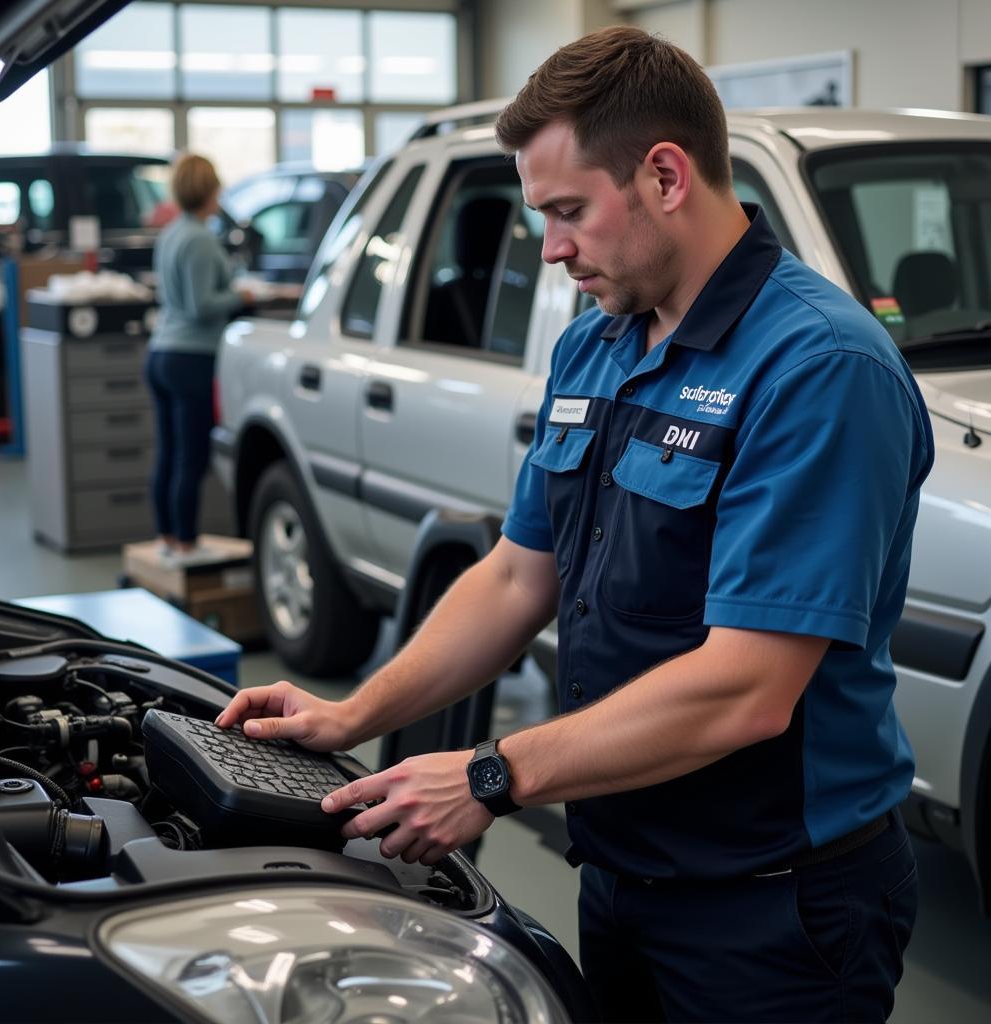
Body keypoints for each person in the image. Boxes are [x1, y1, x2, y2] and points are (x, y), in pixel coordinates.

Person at [216, 27, 933, 1023]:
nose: (551, 251)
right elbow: (519, 575)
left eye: (567, 212)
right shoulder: (599, 345)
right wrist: (353, 714)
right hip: (623, 867)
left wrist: (493, 772)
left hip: (775, 909)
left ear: (666, 175)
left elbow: (748, 689)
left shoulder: (817, 367)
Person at [145, 153, 254, 562]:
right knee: (192, 455)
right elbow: (202, 305)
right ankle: (188, 541)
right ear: (208, 190)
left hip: (160, 353)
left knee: (169, 452)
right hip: (190, 357)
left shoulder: (173, 233)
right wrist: (241, 295)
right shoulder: (201, 238)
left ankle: (167, 537)